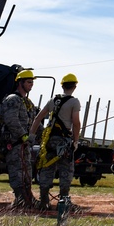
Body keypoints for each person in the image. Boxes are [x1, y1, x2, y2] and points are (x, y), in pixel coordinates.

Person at [30, 73, 82, 211]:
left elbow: (38, 118)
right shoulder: (74, 102)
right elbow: (76, 123)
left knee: (47, 168)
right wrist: (76, 141)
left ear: (62, 85)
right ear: (75, 86)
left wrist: (31, 136)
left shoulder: (53, 100)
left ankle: (44, 200)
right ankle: (64, 201)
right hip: (64, 141)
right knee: (66, 170)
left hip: (49, 140)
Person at [0, 69, 38, 209]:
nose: (31, 85)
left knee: (27, 170)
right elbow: (11, 120)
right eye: (28, 82)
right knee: (17, 170)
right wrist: (23, 135)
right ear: (20, 83)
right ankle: (20, 198)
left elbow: (34, 122)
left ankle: (27, 197)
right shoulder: (12, 99)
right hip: (15, 143)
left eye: (32, 82)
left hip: (24, 144)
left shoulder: (28, 102)